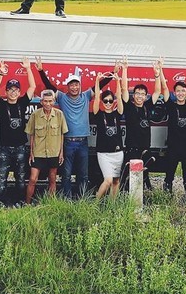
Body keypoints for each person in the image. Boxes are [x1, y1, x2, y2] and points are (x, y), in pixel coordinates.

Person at [38, 70, 98, 199]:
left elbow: (99, 86)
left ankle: (83, 199)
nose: (74, 87)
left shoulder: (86, 96)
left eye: (76, 84)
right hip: (68, 142)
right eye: (71, 85)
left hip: (83, 142)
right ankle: (67, 199)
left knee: (83, 174)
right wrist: (40, 71)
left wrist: (112, 73)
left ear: (80, 86)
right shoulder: (62, 97)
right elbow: (49, 85)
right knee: (66, 174)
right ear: (68, 86)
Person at [0, 56, 36, 206]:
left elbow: (32, 87)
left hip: (21, 148)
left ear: (19, 91)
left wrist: (28, 68)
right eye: (10, 89)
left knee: (21, 178)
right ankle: (1, 202)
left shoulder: (22, 103)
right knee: (2, 178)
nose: (13, 92)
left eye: (16, 90)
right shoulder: (1, 105)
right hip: (4, 148)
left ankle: (19, 201)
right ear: (6, 91)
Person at [120, 59, 162, 191]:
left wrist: (157, 75)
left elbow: (157, 91)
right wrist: (125, 69)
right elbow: (123, 88)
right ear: (134, 95)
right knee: (129, 179)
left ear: (145, 96)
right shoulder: (129, 107)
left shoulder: (148, 107)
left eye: (142, 94)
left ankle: (138, 202)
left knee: (141, 179)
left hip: (145, 149)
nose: (139, 96)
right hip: (132, 149)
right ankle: (127, 201)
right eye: (137, 93)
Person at [161, 65, 186, 197]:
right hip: (173, 146)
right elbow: (164, 88)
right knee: (169, 172)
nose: (181, 93)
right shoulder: (171, 105)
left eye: (183, 91)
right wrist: (159, 70)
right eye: (178, 91)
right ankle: (166, 194)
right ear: (174, 93)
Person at [25, 89, 66, 203]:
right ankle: (27, 204)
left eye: (50, 101)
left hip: (54, 152)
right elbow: (32, 134)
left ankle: (50, 204)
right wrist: (31, 152)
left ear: (54, 101)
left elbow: (62, 134)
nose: (48, 104)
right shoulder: (35, 115)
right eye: (45, 101)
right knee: (33, 179)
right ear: (41, 102)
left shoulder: (59, 114)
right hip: (38, 152)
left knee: (52, 178)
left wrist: (61, 152)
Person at [91, 68, 125, 200]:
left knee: (116, 181)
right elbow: (96, 97)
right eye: (105, 101)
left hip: (118, 153)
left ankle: (112, 205)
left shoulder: (118, 113)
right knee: (108, 180)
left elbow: (119, 96)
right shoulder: (99, 114)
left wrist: (117, 82)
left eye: (110, 101)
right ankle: (95, 204)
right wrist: (97, 81)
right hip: (104, 153)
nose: (108, 103)